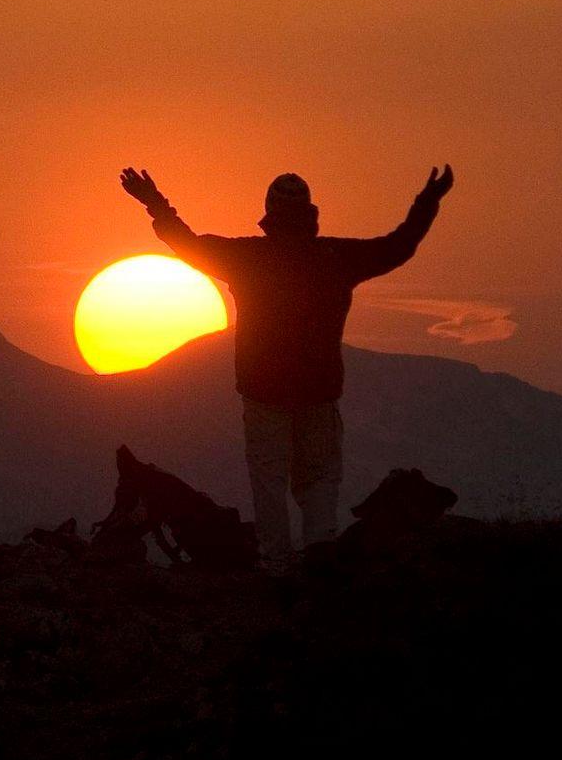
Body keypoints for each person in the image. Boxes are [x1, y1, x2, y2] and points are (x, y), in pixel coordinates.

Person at [119, 165, 455, 568]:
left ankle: (278, 560)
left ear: (269, 213)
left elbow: (185, 242)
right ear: (309, 212)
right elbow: (397, 247)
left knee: (268, 478)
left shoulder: (247, 258)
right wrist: (427, 202)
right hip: (319, 390)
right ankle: (319, 550)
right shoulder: (335, 258)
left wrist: (155, 203)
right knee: (319, 477)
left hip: (263, 391)